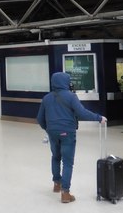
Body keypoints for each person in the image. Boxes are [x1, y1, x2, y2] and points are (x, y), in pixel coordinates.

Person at [37, 72, 106, 203]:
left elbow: (40, 118)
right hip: (67, 132)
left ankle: (57, 184)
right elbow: (82, 113)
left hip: (52, 132)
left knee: (56, 157)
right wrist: (99, 118)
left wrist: (49, 129)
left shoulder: (46, 98)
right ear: (66, 82)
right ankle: (65, 193)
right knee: (68, 162)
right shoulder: (71, 97)